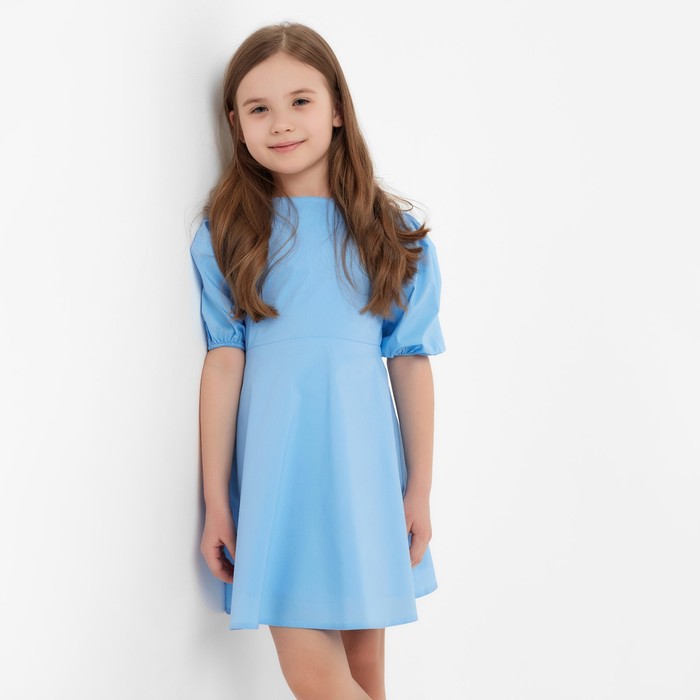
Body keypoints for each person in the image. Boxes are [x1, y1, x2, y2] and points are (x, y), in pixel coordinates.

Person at [189, 21, 446, 700]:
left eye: (300, 101)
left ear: (336, 108)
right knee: (313, 674)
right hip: (278, 473)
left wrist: (418, 489)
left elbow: (410, 362)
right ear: (236, 124)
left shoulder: (391, 234)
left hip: (364, 470)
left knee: (365, 677)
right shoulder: (230, 234)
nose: (281, 123)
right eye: (258, 108)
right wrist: (217, 501)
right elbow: (223, 364)